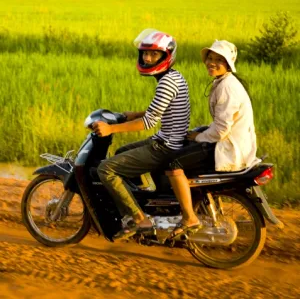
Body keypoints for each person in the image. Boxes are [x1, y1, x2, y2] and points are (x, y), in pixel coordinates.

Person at [92, 29, 190, 239]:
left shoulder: (166, 82)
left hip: (164, 147)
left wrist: (111, 129)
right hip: (169, 141)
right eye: (145, 53)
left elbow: (148, 122)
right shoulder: (174, 76)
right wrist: (131, 114)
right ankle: (143, 204)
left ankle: (139, 219)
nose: (147, 58)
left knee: (106, 169)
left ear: (166, 56)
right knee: (122, 151)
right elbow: (159, 110)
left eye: (153, 54)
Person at [166, 40, 257, 239]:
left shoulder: (227, 88)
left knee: (173, 163)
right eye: (210, 58)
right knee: (186, 145)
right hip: (228, 142)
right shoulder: (225, 82)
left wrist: (199, 136)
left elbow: (222, 130)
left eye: (218, 60)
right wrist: (198, 132)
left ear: (228, 64)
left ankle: (189, 217)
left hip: (227, 147)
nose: (211, 62)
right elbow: (220, 124)